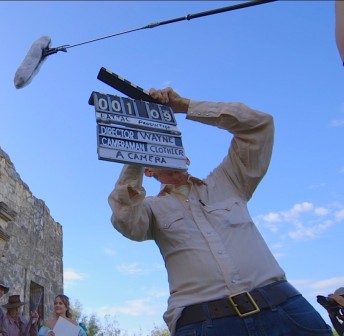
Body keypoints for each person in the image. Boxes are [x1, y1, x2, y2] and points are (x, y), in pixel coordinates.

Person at [108, 87, 332, 336]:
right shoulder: (150, 208)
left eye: (173, 147)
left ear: (187, 159)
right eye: (158, 150)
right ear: (148, 171)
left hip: (283, 309)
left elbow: (259, 125)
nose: (169, 153)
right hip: (205, 323)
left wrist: (185, 106)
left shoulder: (228, 181)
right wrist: (137, 151)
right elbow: (124, 219)